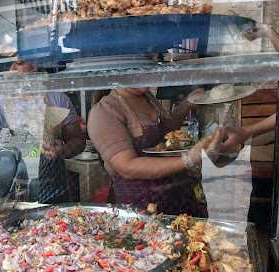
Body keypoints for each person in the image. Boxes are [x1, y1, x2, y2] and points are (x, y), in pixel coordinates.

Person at [88, 87, 222, 216]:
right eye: (137, 71)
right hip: (140, 205)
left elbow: (166, 133)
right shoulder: (105, 112)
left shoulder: (148, 99)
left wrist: (187, 104)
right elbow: (126, 166)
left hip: (178, 195)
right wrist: (189, 159)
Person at [0, 60, 85, 203]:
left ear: (34, 65)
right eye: (7, 64)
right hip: (6, 189)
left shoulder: (57, 99)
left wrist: (63, 149)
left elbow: (78, 140)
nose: (11, 68)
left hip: (49, 186)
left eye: (19, 63)